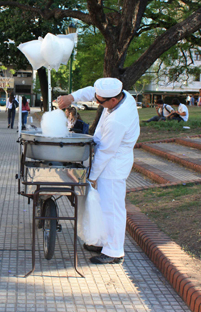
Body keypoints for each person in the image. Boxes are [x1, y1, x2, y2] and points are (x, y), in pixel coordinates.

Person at [57, 78, 140, 265]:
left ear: (113, 101)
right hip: (108, 156)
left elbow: (106, 152)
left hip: (113, 164)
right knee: (103, 205)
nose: (96, 102)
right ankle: (103, 241)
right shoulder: (120, 96)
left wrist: (90, 177)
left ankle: (114, 251)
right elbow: (91, 91)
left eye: (100, 102)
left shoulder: (119, 119)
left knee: (112, 208)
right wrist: (72, 97)